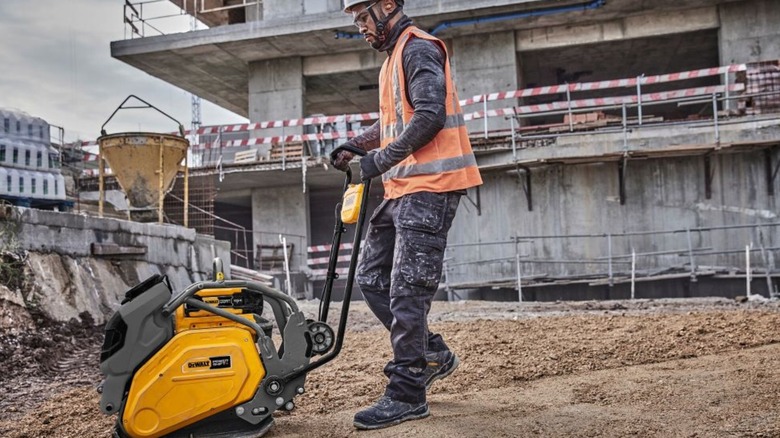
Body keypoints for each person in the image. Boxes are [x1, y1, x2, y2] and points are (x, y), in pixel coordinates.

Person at [331, 0, 483, 430]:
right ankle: (430, 353)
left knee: (406, 291)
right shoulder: (394, 57)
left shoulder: (418, 48)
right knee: (372, 279)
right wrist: (357, 146)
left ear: (387, 6)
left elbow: (431, 117)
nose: (361, 27)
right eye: (357, 20)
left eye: (363, 17)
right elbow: (396, 120)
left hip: (431, 189)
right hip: (403, 188)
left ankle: (407, 392)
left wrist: (376, 162)